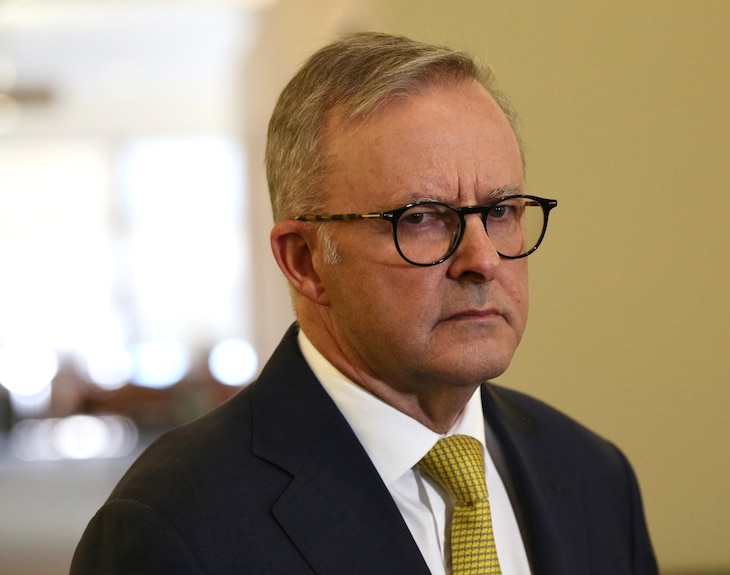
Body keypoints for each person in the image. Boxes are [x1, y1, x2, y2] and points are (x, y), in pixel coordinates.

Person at [71, 32, 658, 574]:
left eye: (500, 211)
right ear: (304, 261)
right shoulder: (173, 525)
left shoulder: (592, 477)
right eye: (422, 218)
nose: (482, 259)